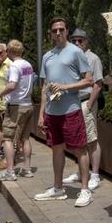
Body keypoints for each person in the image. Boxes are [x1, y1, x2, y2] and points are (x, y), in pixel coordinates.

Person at [34, 18, 94, 207]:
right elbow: (45, 86)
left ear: (67, 31)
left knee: (80, 148)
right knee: (56, 149)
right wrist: (41, 113)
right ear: (50, 34)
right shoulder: (47, 56)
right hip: (53, 111)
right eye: (54, 30)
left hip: (71, 110)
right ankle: (58, 187)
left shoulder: (76, 52)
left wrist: (66, 87)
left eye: (61, 29)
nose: (58, 33)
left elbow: (89, 80)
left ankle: (85, 190)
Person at [62, 28, 104, 190]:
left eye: (81, 40)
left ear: (87, 42)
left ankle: (95, 175)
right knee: (78, 140)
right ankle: (81, 171)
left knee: (91, 139)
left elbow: (98, 84)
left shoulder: (93, 59)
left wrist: (89, 104)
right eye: (75, 41)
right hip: (73, 103)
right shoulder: (72, 57)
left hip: (86, 102)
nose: (77, 43)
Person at [0, 39, 36, 181]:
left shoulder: (14, 66)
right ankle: (27, 169)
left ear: (9, 52)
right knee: (25, 138)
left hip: (16, 106)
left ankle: (10, 171)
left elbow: (12, 85)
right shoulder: (28, 65)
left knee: (8, 138)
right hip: (28, 105)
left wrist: (0, 94)